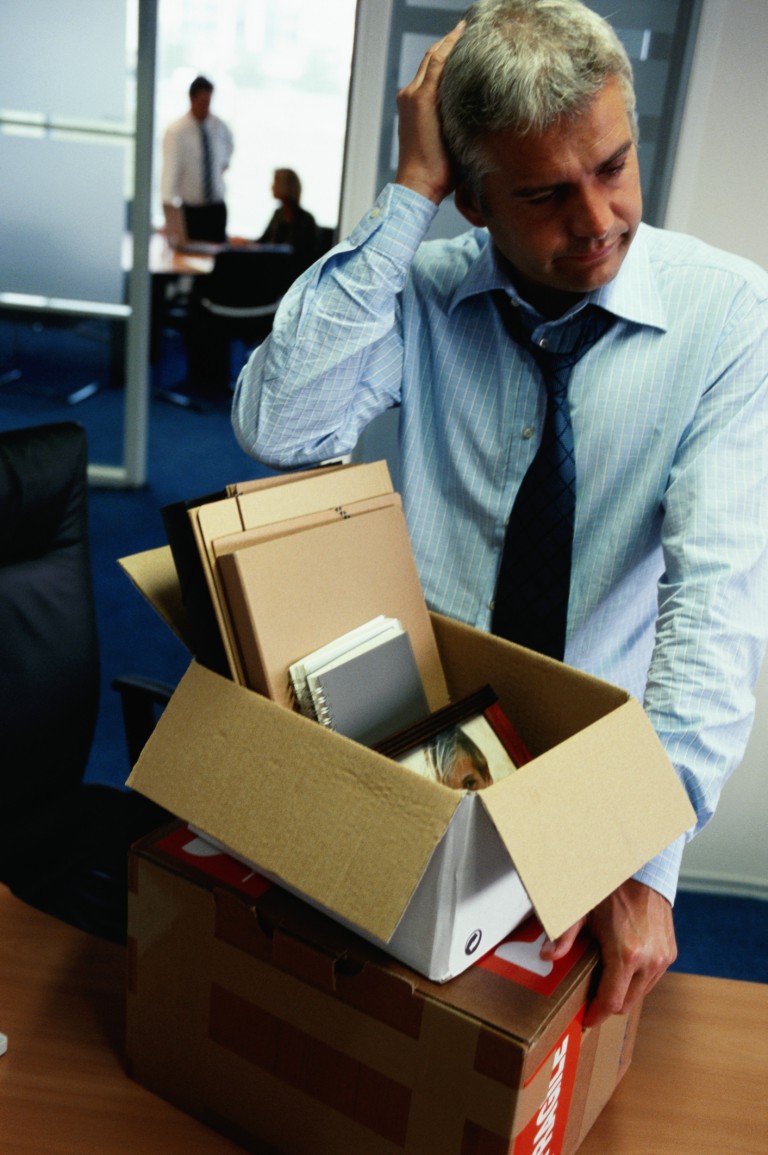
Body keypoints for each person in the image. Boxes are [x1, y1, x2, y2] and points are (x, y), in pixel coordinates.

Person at [231, 0, 768, 1026]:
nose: (598, 218)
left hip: (600, 777)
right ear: (475, 203)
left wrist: (638, 854)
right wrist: (409, 194)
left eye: (613, 165)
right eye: (546, 193)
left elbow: (717, 606)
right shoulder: (423, 293)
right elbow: (277, 424)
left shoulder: (730, 316)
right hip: (413, 757)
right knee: (348, 1028)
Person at [161, 75, 234, 243]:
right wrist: (169, 216)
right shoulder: (177, 131)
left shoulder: (219, 127)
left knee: (217, 253)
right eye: (202, 102)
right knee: (190, 254)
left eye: (208, 102)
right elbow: (170, 173)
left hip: (216, 207)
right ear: (192, 99)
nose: (206, 107)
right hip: (192, 210)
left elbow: (226, 157)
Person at [258, 168, 319, 274]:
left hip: (294, 274)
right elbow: (263, 242)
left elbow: (298, 254)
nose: (272, 187)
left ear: (285, 186)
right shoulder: (278, 214)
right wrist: (245, 243)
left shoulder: (306, 219)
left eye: (275, 183)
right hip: (274, 269)